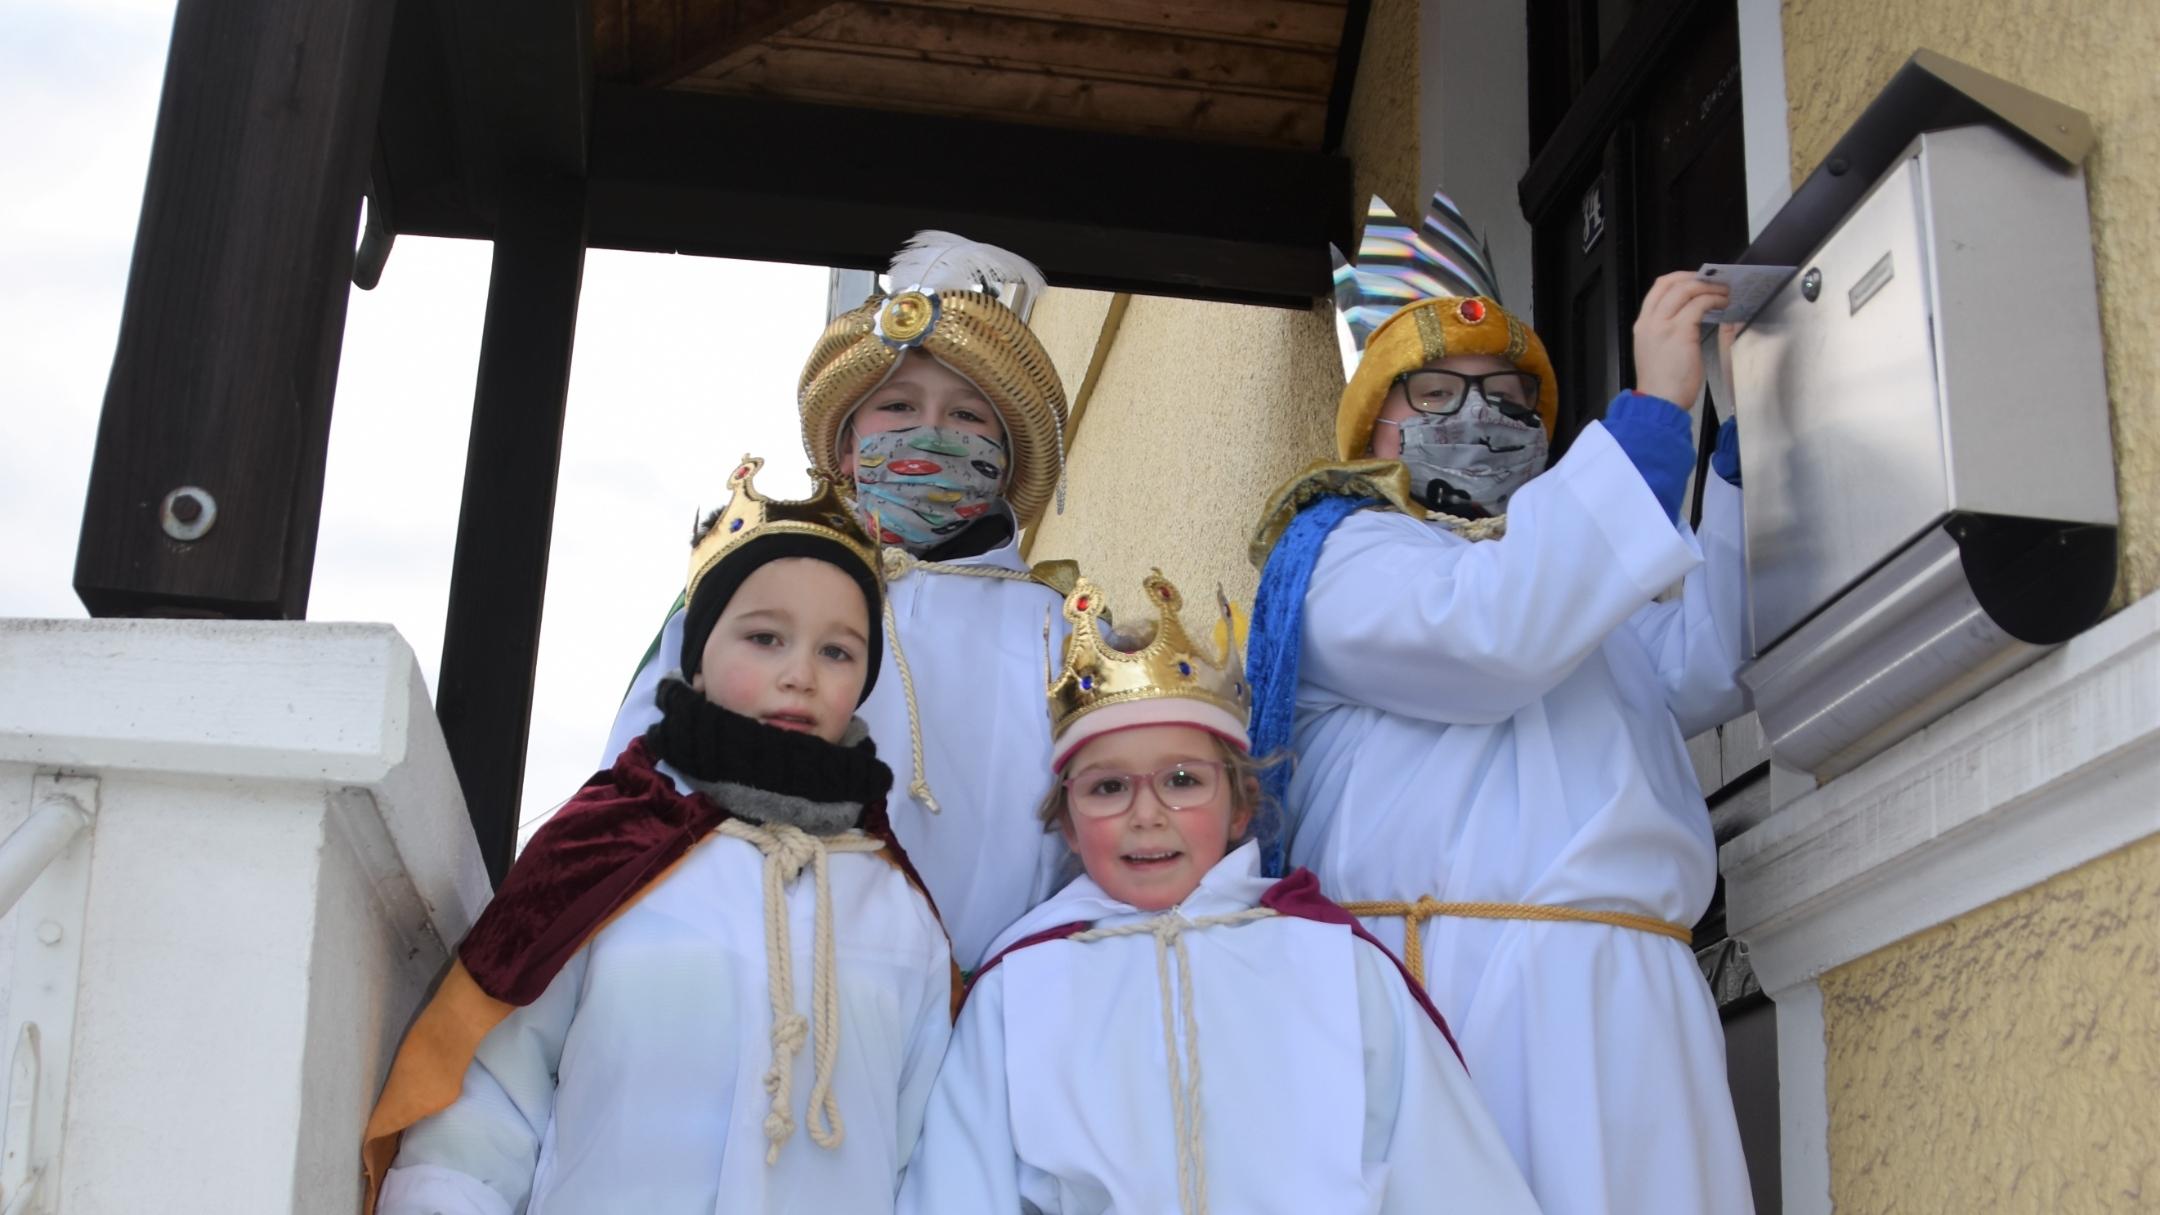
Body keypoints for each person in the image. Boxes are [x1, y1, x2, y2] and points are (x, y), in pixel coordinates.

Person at [1243, 191, 1753, 1214]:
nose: (1478, 415)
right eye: (1432, 391)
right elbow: (1492, 637)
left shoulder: (1568, 579)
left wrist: (1744, 444)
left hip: (1637, 1002)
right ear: (1373, 428)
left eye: (1507, 393)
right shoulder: (1342, 554)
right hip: (1459, 1000)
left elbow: (1708, 662)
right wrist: (1652, 421)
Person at [362, 458, 953, 1215]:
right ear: (697, 657)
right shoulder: (601, 854)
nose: (800, 672)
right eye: (765, 636)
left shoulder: (902, 914)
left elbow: (926, 1159)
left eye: (838, 650)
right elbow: (487, 1101)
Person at [897, 571, 1543, 1215]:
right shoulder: (1019, 991)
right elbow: (960, 1185)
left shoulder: (1336, 964)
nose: (1146, 814)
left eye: (1182, 780)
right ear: (1065, 820)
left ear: (1241, 805)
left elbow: (1444, 1168)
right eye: (1108, 787)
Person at [601, 232, 1074, 972]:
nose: (930, 431)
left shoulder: (1062, 631)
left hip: (982, 1010)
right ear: (847, 448)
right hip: (742, 975)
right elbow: (637, 769)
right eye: (898, 404)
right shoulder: (753, 588)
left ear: (1006, 454)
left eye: (968, 416)